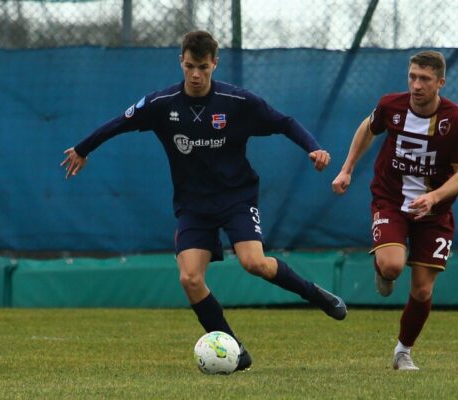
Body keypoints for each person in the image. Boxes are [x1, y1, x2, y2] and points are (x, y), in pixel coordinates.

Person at [62, 30, 347, 372]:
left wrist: (312, 147)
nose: (195, 75)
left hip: (236, 197)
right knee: (190, 279)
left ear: (215, 63)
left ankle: (315, 295)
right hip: (193, 206)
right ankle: (234, 350)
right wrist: (82, 148)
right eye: (189, 66)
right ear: (180, 62)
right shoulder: (161, 104)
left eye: (202, 67)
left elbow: (284, 122)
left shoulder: (238, 102)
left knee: (254, 263)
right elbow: (118, 124)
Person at [331, 51, 458, 371]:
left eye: (424, 79)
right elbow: (367, 129)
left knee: (422, 289)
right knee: (393, 266)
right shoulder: (391, 106)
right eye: (412, 76)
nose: (416, 85)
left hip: (434, 213)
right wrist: (347, 169)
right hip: (391, 201)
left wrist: (434, 197)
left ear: (440, 83)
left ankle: (403, 352)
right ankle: (383, 269)